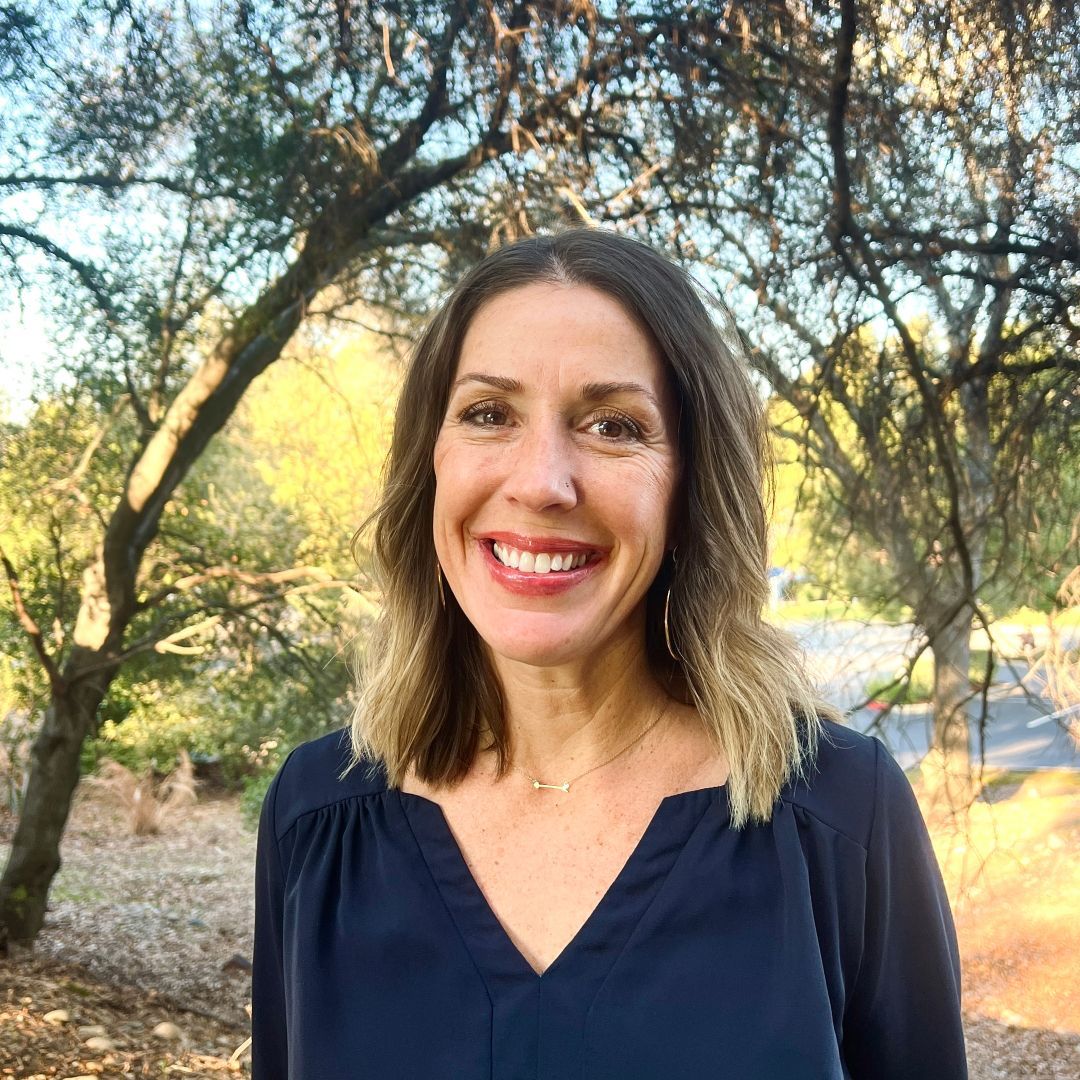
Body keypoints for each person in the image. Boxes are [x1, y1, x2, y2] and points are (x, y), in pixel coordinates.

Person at [251, 228, 967, 1079]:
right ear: (430, 462)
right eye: (489, 414)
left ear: (690, 485)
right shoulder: (315, 821)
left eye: (614, 425)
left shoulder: (839, 819)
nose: (541, 481)